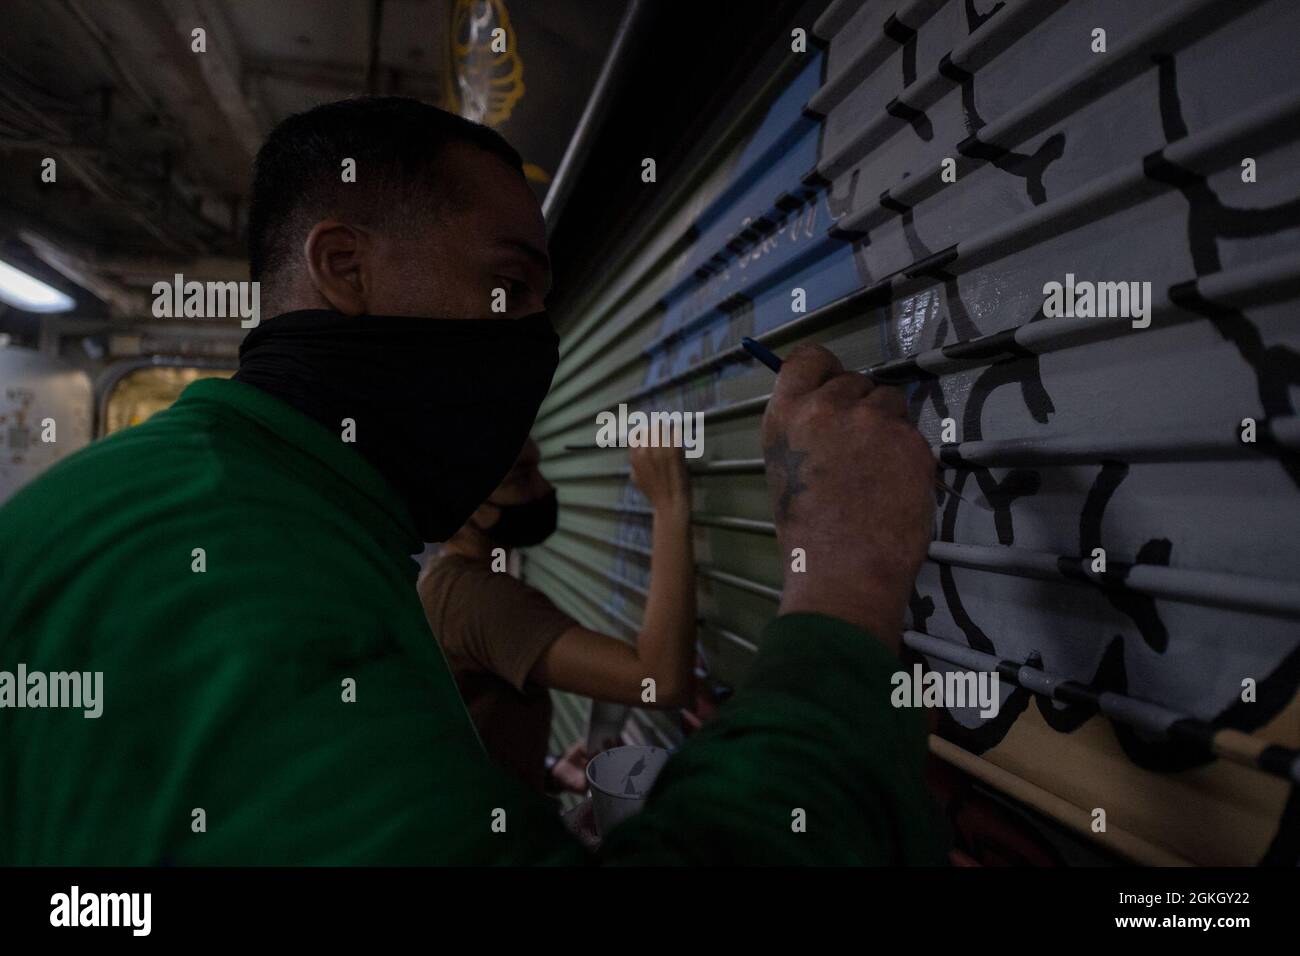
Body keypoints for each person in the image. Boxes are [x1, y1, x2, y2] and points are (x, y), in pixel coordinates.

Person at [0, 96, 944, 865]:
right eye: (509, 286)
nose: (537, 344)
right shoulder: (232, 565)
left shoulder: (171, 499)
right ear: (344, 266)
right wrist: (847, 587)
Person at [418, 437, 694, 793]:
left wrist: (546, 773)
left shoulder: (445, 582)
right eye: (521, 477)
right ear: (469, 505)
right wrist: (669, 502)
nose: (545, 488)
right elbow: (659, 682)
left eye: (538, 468)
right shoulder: (476, 599)